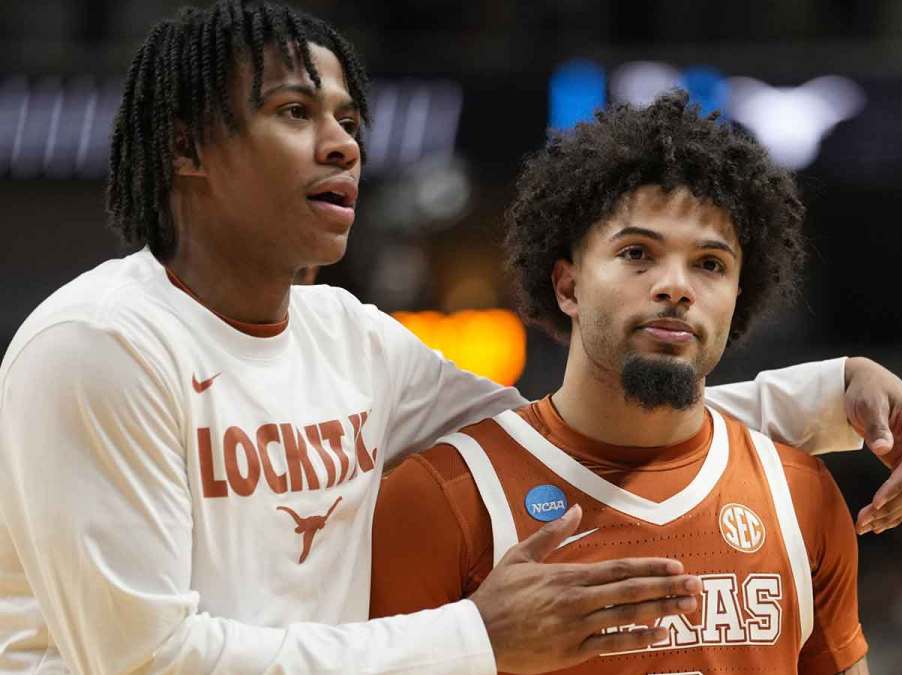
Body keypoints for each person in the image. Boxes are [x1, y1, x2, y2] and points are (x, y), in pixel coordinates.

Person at [0, 2, 902, 673]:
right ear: (186, 150)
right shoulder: (98, 345)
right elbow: (147, 665)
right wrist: (473, 640)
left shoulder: (348, 341)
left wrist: (826, 395)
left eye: (348, 117)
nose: (342, 143)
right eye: (294, 113)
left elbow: (568, 427)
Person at [369, 93, 875, 674]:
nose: (675, 287)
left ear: (740, 297)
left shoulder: (802, 494)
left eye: (710, 264)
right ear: (568, 287)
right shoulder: (436, 498)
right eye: (637, 253)